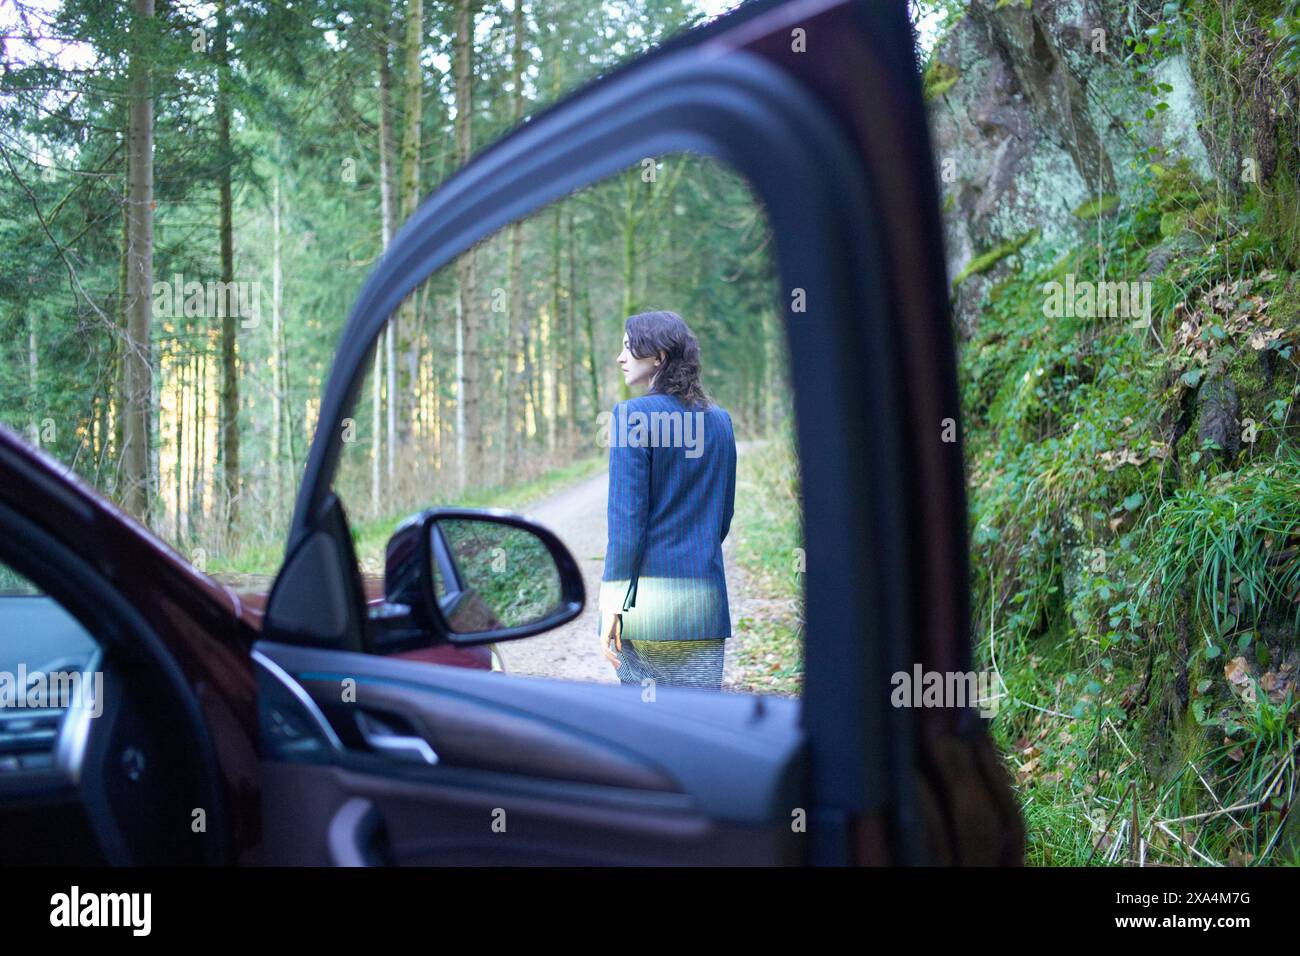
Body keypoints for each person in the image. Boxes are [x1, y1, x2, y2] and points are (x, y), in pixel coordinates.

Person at [598, 310, 737, 690]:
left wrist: (612, 603)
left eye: (628, 348)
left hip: (647, 610)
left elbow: (626, 525)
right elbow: (721, 519)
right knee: (699, 728)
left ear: (658, 357)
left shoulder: (631, 416)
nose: (620, 358)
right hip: (704, 607)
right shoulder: (721, 421)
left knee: (648, 731)